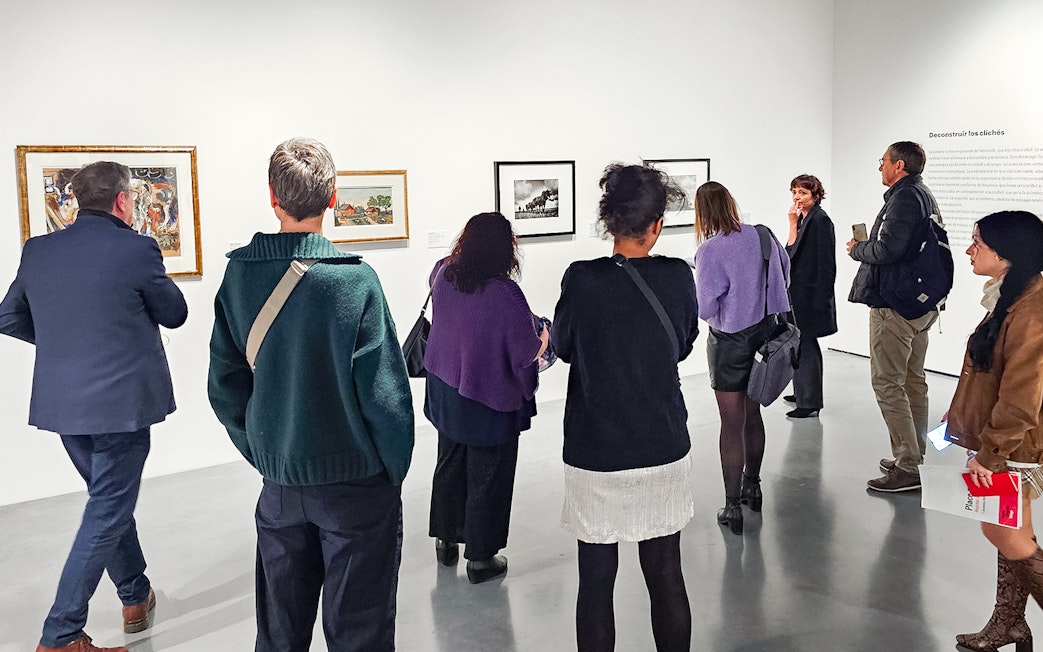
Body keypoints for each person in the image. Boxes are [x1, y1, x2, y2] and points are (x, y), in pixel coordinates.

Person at [208, 138, 413, 652]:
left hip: (278, 487)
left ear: (272, 198)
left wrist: (264, 449)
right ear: (333, 199)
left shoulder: (239, 276)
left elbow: (223, 385)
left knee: (279, 634)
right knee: (359, 630)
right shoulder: (355, 282)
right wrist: (393, 470)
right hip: (356, 486)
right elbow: (386, 397)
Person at [0, 161, 188, 652]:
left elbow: (8, 316)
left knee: (107, 500)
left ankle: (134, 595)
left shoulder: (38, 249)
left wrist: (65, 345)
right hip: (120, 406)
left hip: (64, 406)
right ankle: (60, 633)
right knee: (107, 507)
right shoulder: (136, 247)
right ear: (123, 200)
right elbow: (175, 313)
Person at [552, 163, 698, 652]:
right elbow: (683, 344)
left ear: (608, 221)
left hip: (597, 448)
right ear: (657, 223)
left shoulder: (582, 279)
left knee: (595, 583)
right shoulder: (679, 276)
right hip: (661, 442)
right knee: (666, 576)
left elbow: (566, 346)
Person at [423, 212, 549, 583]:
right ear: (505, 250)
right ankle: (480, 559)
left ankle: (446, 542)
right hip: (487, 394)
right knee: (488, 473)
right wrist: (544, 336)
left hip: (446, 387)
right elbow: (524, 351)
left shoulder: (442, 271)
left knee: (449, 461)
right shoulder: (505, 293)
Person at [942, 211, 1043, 652]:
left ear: (1008, 253)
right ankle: (1009, 624)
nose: (968, 250)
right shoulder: (1012, 297)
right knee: (1013, 529)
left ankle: (1009, 623)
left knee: (1002, 532)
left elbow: (1023, 396)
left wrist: (990, 453)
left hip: (1018, 446)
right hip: (1012, 443)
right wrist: (958, 419)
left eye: (977, 242)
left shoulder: (1032, 311)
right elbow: (989, 375)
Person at [693, 181, 791, 535]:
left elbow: (705, 306)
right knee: (754, 414)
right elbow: (785, 275)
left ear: (701, 213)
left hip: (729, 343)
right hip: (765, 335)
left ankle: (732, 507)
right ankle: (754, 486)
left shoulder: (710, 250)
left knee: (730, 424)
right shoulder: (763, 235)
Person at [848, 141, 944, 492]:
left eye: (883, 161)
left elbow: (888, 249)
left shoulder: (904, 198)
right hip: (920, 305)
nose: (880, 167)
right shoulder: (922, 194)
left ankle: (907, 466)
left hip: (896, 305)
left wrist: (857, 248)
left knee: (888, 382)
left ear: (899, 165)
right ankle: (914, 456)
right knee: (912, 380)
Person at [783, 174, 837, 418]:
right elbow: (789, 253)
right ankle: (802, 392)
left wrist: (821, 299)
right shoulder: (805, 219)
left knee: (806, 345)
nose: (797, 197)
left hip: (811, 296)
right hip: (799, 294)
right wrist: (793, 223)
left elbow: (826, 264)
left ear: (816, 196)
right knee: (799, 343)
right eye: (795, 192)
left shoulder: (821, 221)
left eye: (803, 193)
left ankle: (810, 401)